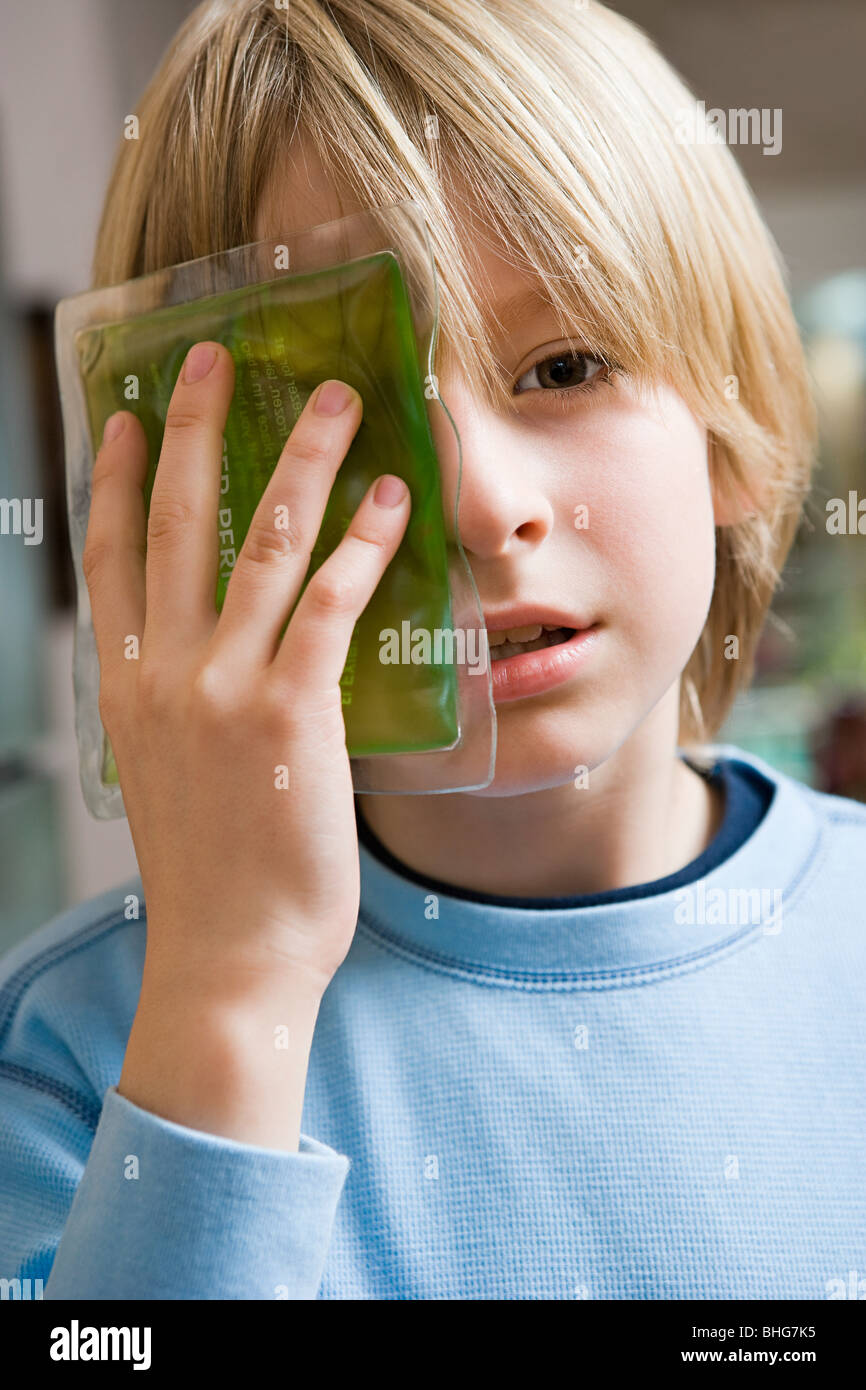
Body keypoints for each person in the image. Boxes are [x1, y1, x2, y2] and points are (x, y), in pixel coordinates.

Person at [2, 0, 864, 1301]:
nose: (474, 503)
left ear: (732, 436)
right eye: (336, 415)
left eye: (564, 364)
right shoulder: (67, 1050)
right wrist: (231, 995)